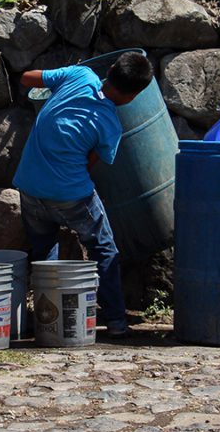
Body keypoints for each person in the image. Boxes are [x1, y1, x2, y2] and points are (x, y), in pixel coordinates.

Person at [13, 51, 154, 339]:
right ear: (133, 97)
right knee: (104, 249)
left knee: (43, 254)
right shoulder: (110, 124)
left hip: (29, 188)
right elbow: (89, 164)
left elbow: (28, 78)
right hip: (72, 197)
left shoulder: (79, 75)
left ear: (111, 68)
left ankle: (46, 322)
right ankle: (115, 321)